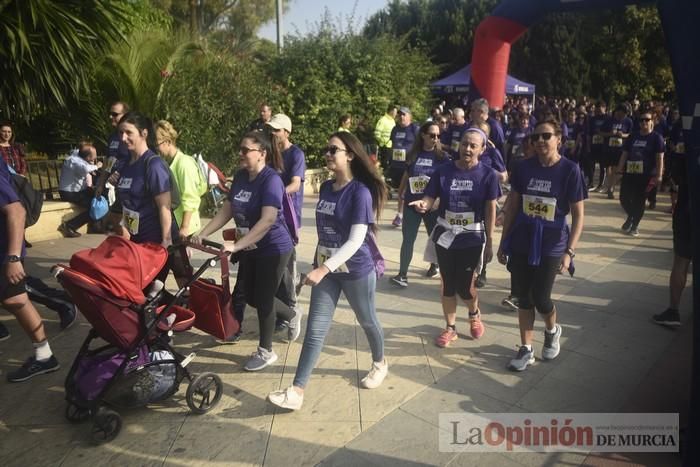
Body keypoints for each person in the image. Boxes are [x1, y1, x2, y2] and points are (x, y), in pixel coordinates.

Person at [267, 131, 387, 410]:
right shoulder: (326, 189)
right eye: (327, 149)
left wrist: (324, 269)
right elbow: (325, 233)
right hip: (327, 269)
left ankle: (380, 362)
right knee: (315, 329)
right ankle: (297, 391)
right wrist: (318, 263)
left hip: (356, 270)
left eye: (333, 150)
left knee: (368, 320)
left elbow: (357, 240)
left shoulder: (360, 192)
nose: (328, 154)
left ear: (350, 155)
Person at [192, 131, 297, 371]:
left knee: (263, 299)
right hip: (250, 244)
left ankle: (266, 351)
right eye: (240, 149)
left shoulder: (271, 180)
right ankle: (291, 314)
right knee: (250, 296)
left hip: (274, 247)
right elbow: (227, 210)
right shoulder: (240, 176)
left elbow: (268, 219)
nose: (240, 154)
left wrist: (236, 246)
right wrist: (204, 233)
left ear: (262, 154)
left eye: (245, 150)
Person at [498, 118, 585, 372]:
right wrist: (504, 242)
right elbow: (513, 205)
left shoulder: (570, 170)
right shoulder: (523, 168)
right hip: (523, 239)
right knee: (523, 297)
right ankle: (526, 349)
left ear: (559, 139)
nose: (539, 141)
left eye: (546, 136)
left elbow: (579, 215)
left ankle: (552, 329)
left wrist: (570, 251)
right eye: (535, 137)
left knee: (541, 297)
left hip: (552, 244)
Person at [410, 128, 499, 347]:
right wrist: (424, 204)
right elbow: (431, 197)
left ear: (482, 149)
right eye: (464, 144)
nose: (467, 149)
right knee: (448, 285)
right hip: (445, 235)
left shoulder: (488, 175)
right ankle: (450, 328)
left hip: (472, 237)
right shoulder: (444, 171)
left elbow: (490, 209)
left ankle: (474, 313)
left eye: (473, 145)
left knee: (465, 287)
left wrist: (490, 240)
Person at [106, 112, 191, 286]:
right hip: (139, 242)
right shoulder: (125, 165)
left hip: (160, 242)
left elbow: (164, 207)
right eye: (121, 133)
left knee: (183, 288)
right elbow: (126, 205)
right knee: (146, 293)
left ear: (144, 133)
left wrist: (166, 240)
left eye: (128, 133)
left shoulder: (153, 164)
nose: (123, 137)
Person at [0, 158, 60, 382]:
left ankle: (45, 355)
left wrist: (14, 257)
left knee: (15, 300)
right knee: (14, 299)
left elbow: (16, 211)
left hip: (5, 252)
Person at [390, 122, 447, 288]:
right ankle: (402, 274)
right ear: (422, 135)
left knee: (434, 239)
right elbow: (407, 175)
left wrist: (437, 202)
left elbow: (445, 183)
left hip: (431, 207)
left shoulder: (442, 158)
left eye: (438, 135)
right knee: (408, 239)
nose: (435, 138)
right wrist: (401, 193)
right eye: (432, 135)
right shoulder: (413, 155)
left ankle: (435, 266)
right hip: (411, 204)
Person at [266, 113, 305, 339]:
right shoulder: (269, 153)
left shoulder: (296, 154)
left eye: (277, 130)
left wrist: (273, 192)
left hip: (287, 220)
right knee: (273, 268)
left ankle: (290, 310)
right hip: (268, 218)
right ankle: (281, 310)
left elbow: (295, 184)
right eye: (270, 129)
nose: (273, 134)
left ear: (287, 132)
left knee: (286, 268)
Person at [651, 127, 691, 327]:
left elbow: (675, 173)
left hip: (687, 208)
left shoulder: (689, 134)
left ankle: (674, 310)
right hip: (687, 208)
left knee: (681, 261)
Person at [615, 111, 664, 237]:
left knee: (639, 200)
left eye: (647, 120)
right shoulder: (633, 136)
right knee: (623, 198)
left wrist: (659, 175)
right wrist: (619, 169)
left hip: (646, 175)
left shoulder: (656, 138)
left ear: (652, 121)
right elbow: (625, 153)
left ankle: (635, 225)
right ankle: (631, 216)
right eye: (641, 120)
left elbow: (659, 158)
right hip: (630, 173)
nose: (644, 122)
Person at [153, 121, 205, 240]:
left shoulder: (184, 163)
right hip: (174, 222)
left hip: (183, 225)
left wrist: (185, 227)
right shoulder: (167, 162)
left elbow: (190, 197)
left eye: (157, 145)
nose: (156, 150)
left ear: (168, 142)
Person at [57, 144, 102, 238]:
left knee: (99, 199)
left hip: (79, 191)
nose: (95, 158)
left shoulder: (79, 155)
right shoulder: (74, 161)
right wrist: (97, 166)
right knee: (95, 207)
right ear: (88, 156)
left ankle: (95, 226)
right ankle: (69, 226)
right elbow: (85, 168)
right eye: (93, 156)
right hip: (69, 193)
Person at [388, 107, 420, 227]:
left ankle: (400, 215)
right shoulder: (395, 129)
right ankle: (404, 214)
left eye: (404, 114)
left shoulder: (415, 129)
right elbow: (393, 144)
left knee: (404, 190)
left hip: (409, 165)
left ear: (410, 117)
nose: (401, 117)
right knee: (401, 191)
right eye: (400, 114)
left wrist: (414, 159)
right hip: (396, 165)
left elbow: (420, 145)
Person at [95, 101, 130, 200]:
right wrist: (101, 184)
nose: (111, 117)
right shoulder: (112, 137)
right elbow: (108, 160)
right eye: (110, 114)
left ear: (125, 115)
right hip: (111, 187)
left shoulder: (133, 137)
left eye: (115, 114)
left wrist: (120, 172)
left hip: (128, 187)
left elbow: (138, 160)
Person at [600, 105, 633, 199]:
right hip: (608, 148)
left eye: (625, 114)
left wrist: (623, 135)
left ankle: (611, 188)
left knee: (616, 168)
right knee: (608, 168)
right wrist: (611, 134)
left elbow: (631, 134)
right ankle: (610, 186)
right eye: (622, 113)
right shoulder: (609, 120)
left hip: (620, 149)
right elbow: (601, 132)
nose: (623, 116)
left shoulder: (628, 121)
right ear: (618, 111)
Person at [588, 101, 609, 192]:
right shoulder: (592, 119)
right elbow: (589, 134)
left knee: (602, 166)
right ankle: (591, 182)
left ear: (605, 108)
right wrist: (588, 146)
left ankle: (601, 184)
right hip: (593, 144)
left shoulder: (608, 119)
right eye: (597, 110)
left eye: (600, 110)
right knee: (591, 165)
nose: (599, 112)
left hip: (603, 146)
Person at [374, 104, 397, 170]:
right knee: (384, 163)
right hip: (385, 146)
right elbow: (377, 133)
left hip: (391, 145)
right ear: (391, 111)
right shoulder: (383, 120)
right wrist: (383, 142)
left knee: (390, 162)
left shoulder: (392, 120)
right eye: (395, 112)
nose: (396, 114)